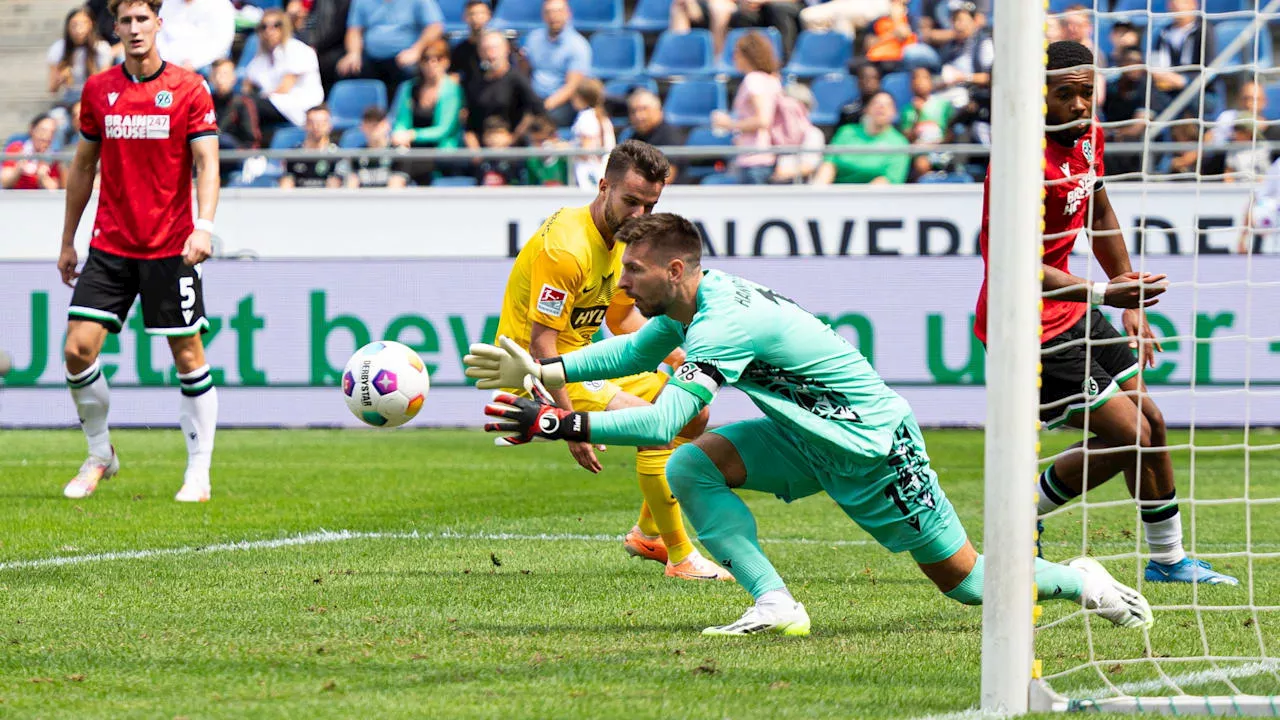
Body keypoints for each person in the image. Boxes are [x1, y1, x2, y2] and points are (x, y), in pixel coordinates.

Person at [464, 212, 1156, 636]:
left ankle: (1081, 581)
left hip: (873, 448)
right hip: (806, 436)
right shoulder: (688, 302)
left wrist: (556, 423)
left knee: (969, 585)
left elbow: (663, 419)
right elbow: (635, 349)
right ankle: (774, 603)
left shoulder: (723, 323)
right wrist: (549, 376)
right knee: (692, 466)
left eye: (634, 274)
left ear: (675, 269)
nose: (622, 288)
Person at [975, 41, 1237, 585]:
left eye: (1085, 92)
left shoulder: (1089, 136)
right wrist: (1102, 294)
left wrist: (1127, 291)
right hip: (1027, 326)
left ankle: (1168, 561)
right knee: (1129, 435)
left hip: (1077, 307)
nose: (1077, 104)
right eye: (1063, 94)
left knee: (1154, 424)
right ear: (1036, 98)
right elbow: (1012, 267)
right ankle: (1021, 515)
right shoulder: (1019, 166)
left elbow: (1099, 207)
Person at [481, 140, 730, 582]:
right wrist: (567, 421)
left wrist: (677, 354)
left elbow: (618, 316)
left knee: (694, 413)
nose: (640, 215)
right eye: (631, 201)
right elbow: (543, 344)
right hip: (541, 370)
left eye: (650, 205)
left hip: (583, 361)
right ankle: (680, 556)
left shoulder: (621, 241)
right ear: (603, 186)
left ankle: (648, 534)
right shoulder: (567, 249)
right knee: (657, 422)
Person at [58, 0, 220, 503]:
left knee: (187, 354)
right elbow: (84, 167)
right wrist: (68, 238)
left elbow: (207, 164)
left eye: (141, 20)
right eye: (125, 21)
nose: (133, 29)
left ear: (158, 24)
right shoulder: (99, 89)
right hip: (110, 244)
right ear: (116, 27)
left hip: (172, 246)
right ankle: (101, 454)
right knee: (76, 351)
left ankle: (198, 473)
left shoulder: (190, 87)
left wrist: (204, 226)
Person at [710, 31, 782, 185]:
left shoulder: (753, 80)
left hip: (753, 157)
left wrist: (728, 124)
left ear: (748, 55)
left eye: (737, 53)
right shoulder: (772, 79)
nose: (734, 58)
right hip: (766, 155)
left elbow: (763, 120)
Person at [390, 38, 464, 185]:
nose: (432, 64)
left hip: (440, 150)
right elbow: (401, 121)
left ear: (446, 62)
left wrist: (412, 135)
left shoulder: (452, 90)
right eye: (427, 59)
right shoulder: (409, 88)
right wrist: (401, 136)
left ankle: (394, 190)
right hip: (410, 148)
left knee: (404, 167)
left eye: (438, 59)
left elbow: (443, 130)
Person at [339, 0, 444, 98]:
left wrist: (416, 50)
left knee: (411, 71)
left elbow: (435, 27)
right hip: (371, 56)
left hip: (405, 56)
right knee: (348, 70)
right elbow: (354, 30)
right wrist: (353, 53)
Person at [244, 9, 325, 130]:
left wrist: (257, 97)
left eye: (276, 25)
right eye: (264, 27)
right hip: (275, 103)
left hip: (299, 105)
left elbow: (284, 88)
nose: (269, 31)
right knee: (242, 104)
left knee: (248, 105)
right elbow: (247, 82)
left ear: (284, 27)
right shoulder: (262, 55)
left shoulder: (297, 49)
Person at [463, 31, 539, 152]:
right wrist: (474, 149)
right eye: (486, 49)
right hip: (482, 150)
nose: (491, 54)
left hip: (512, 149)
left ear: (506, 50)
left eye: (495, 48)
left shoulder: (517, 79)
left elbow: (535, 111)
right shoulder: (475, 83)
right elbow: (470, 123)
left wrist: (513, 138)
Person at [812, 91, 909, 185]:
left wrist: (859, 199)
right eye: (876, 103)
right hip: (837, 195)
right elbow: (829, 165)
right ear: (866, 109)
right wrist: (818, 190)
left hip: (874, 198)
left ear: (894, 112)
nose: (881, 107)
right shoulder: (846, 132)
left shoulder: (900, 143)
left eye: (887, 105)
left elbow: (888, 180)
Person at [522, 0, 591, 127]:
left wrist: (544, 106)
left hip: (562, 102)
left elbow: (572, 86)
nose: (553, 16)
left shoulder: (578, 45)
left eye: (558, 11)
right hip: (535, 97)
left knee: (539, 122)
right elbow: (526, 71)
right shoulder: (533, 38)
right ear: (543, 15)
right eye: (549, 12)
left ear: (568, 14)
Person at [48, 7, 116, 101]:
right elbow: (52, 89)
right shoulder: (59, 48)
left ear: (91, 24)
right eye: (74, 25)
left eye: (83, 24)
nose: (78, 30)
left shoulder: (101, 48)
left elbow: (104, 85)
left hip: (93, 97)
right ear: (67, 27)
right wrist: (61, 78)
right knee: (55, 115)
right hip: (69, 97)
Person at [621, 89, 685, 183]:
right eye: (633, 111)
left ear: (658, 110)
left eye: (644, 109)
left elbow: (667, 176)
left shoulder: (670, 135)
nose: (638, 116)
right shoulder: (633, 136)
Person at [156, 0, 236, 71]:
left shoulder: (221, 5)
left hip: (205, 64)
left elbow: (221, 44)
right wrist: (167, 60)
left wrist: (194, 64)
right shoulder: (166, 3)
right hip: (168, 62)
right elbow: (159, 35)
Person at [340, 106, 407, 188]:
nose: (373, 127)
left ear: (387, 125)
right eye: (369, 122)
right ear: (362, 126)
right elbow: (352, 185)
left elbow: (396, 185)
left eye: (377, 123)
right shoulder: (357, 155)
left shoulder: (397, 153)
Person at [279, 104, 342, 189]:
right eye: (312, 122)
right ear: (305, 125)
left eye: (322, 122)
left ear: (329, 126)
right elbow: (286, 184)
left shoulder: (337, 154)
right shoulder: (293, 154)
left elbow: (335, 187)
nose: (316, 127)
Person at [569, 78, 615, 188]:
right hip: (603, 170)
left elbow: (586, 151)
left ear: (581, 98)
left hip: (589, 174)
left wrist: (565, 148)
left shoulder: (585, 118)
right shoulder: (604, 117)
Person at [2, 115, 64, 191]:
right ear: (32, 129)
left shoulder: (53, 157)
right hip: (16, 199)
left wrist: (43, 177)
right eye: (43, 130)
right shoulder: (16, 148)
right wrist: (18, 170)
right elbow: (4, 182)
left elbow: (54, 189)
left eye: (52, 132)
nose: (47, 135)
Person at [448, 0, 491, 88]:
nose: (476, 18)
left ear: (489, 16)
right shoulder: (459, 50)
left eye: (481, 13)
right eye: (471, 14)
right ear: (464, 17)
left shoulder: (498, 48)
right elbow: (452, 75)